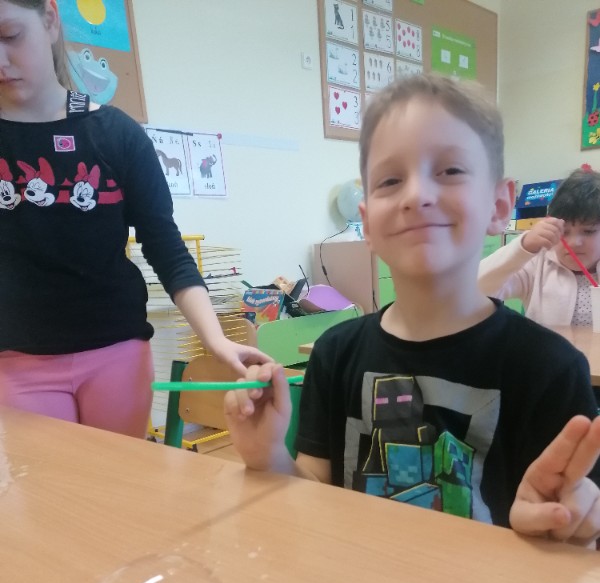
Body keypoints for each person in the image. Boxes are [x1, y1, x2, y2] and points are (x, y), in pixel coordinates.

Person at [224, 73, 600, 546]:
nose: (417, 194)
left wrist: (561, 532)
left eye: (450, 170)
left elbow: (572, 531)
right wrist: (268, 456)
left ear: (499, 204)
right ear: (367, 224)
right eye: (390, 180)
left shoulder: (551, 369)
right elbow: (315, 495)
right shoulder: (335, 353)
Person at [0, 0, 270, 438]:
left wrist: (216, 340)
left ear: (50, 19)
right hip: (18, 361)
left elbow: (166, 247)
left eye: (10, 35)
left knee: (117, 479)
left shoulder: (116, 134)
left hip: (116, 353)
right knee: (52, 482)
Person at [478, 167, 600, 326]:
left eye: (588, 231)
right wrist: (523, 246)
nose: (573, 243)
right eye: (564, 231)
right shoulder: (537, 265)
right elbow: (475, 288)